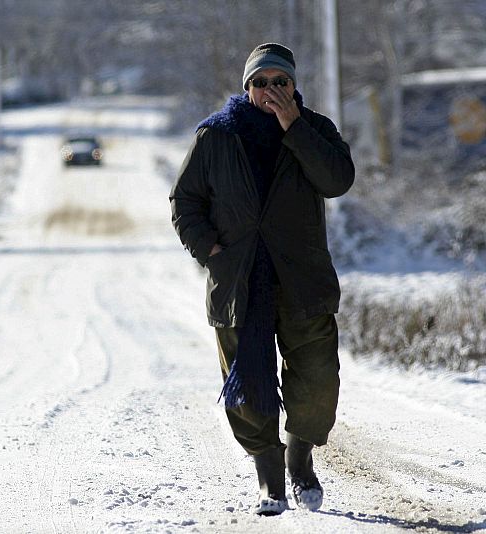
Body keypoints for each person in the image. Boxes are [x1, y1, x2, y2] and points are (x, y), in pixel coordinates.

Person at [169, 43, 354, 516]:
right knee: (248, 389)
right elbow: (184, 201)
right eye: (261, 82)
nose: (271, 90)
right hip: (239, 283)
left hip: (302, 280)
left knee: (316, 382)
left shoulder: (316, 129)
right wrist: (209, 249)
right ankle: (270, 482)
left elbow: (337, 180)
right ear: (246, 87)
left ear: (295, 86)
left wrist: (294, 128)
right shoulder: (216, 136)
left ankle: (300, 461)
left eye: (281, 82)